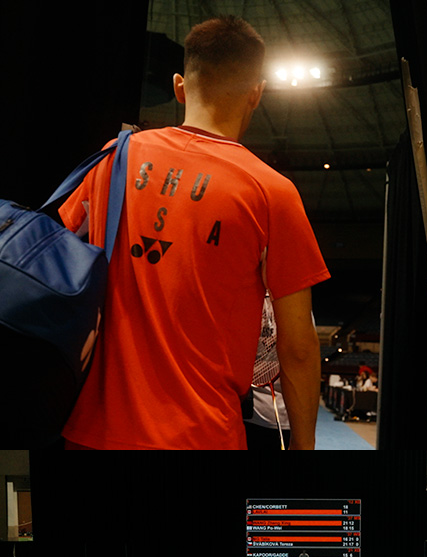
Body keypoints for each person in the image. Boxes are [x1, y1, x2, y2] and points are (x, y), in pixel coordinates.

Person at [58, 15, 328, 452]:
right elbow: (296, 346)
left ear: (180, 86)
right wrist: (304, 444)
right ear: (255, 95)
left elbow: (62, 263)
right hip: (202, 436)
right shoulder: (273, 193)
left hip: (92, 432)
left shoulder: (113, 158)